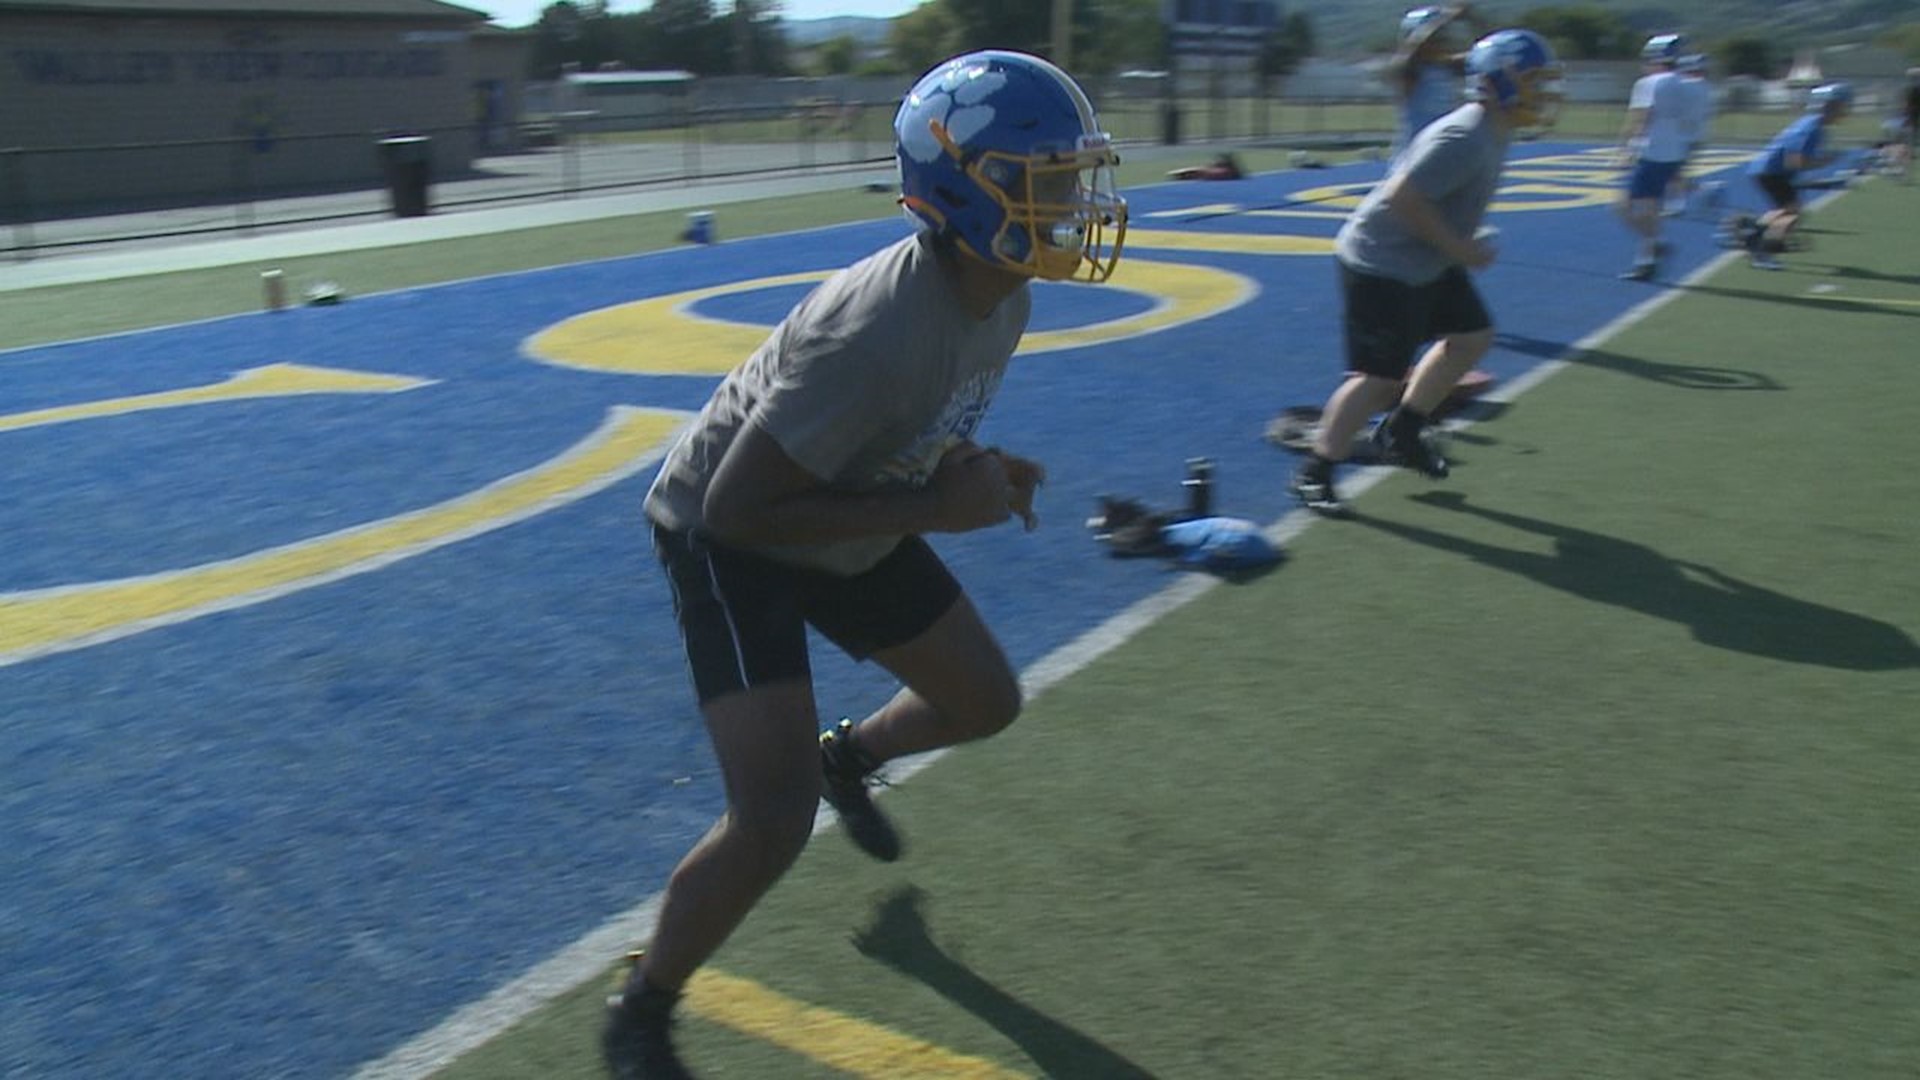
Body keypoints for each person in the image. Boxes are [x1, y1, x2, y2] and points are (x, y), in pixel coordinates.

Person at [600, 49, 1128, 1079]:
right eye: (1048, 181)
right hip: (729, 534)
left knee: (984, 700)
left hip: (838, 505)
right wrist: (937, 504)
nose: (1072, 203)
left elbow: (907, 425)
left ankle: (854, 756)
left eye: (1073, 179)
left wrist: (966, 464)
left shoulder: (1003, 288)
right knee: (771, 817)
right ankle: (643, 1005)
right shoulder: (876, 325)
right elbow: (737, 504)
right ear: (963, 189)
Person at [1289, 28, 1563, 516]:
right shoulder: (1466, 135)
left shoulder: (1493, 129)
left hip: (1423, 259)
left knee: (1472, 335)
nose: (1543, 93)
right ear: (1499, 80)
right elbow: (1402, 197)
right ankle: (1315, 471)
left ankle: (1403, 430)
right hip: (1382, 261)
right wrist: (1459, 246)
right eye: (1534, 80)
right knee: (1377, 379)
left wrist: (1457, 242)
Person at [1743, 81, 1852, 271]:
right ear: (1830, 106)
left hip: (1771, 171)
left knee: (1790, 211)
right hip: (1771, 171)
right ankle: (1759, 245)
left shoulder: (1812, 124)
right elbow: (1794, 162)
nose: (1844, 112)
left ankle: (1760, 238)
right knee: (1792, 211)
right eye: (1842, 106)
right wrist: (1825, 162)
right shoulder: (1812, 128)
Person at [1615, 33, 1692, 281]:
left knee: (1621, 207)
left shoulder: (1649, 83)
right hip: (1673, 154)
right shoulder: (1684, 83)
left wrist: (1626, 149)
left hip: (1651, 153)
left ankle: (1656, 243)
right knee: (1651, 209)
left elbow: (1641, 117)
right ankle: (1646, 261)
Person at [1386, 4, 1488, 162]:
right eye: (1438, 38)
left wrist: (1472, 20)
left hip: (1445, 149)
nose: (1444, 43)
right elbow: (1415, 47)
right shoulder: (1407, 69)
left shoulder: (1448, 66)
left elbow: (1487, 54)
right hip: (1414, 153)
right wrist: (1447, 18)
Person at [1664, 53, 1716, 215]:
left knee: (1672, 173)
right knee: (1674, 172)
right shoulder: (1707, 88)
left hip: (1682, 136)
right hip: (1696, 135)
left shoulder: (1685, 86)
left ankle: (1677, 203)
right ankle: (1700, 190)